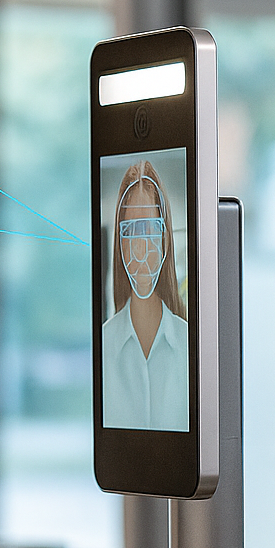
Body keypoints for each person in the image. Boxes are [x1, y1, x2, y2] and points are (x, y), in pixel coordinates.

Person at [102, 160, 190, 431]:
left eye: (150, 228)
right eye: (130, 231)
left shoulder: (190, 345)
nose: (140, 249)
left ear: (165, 237)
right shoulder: (102, 346)